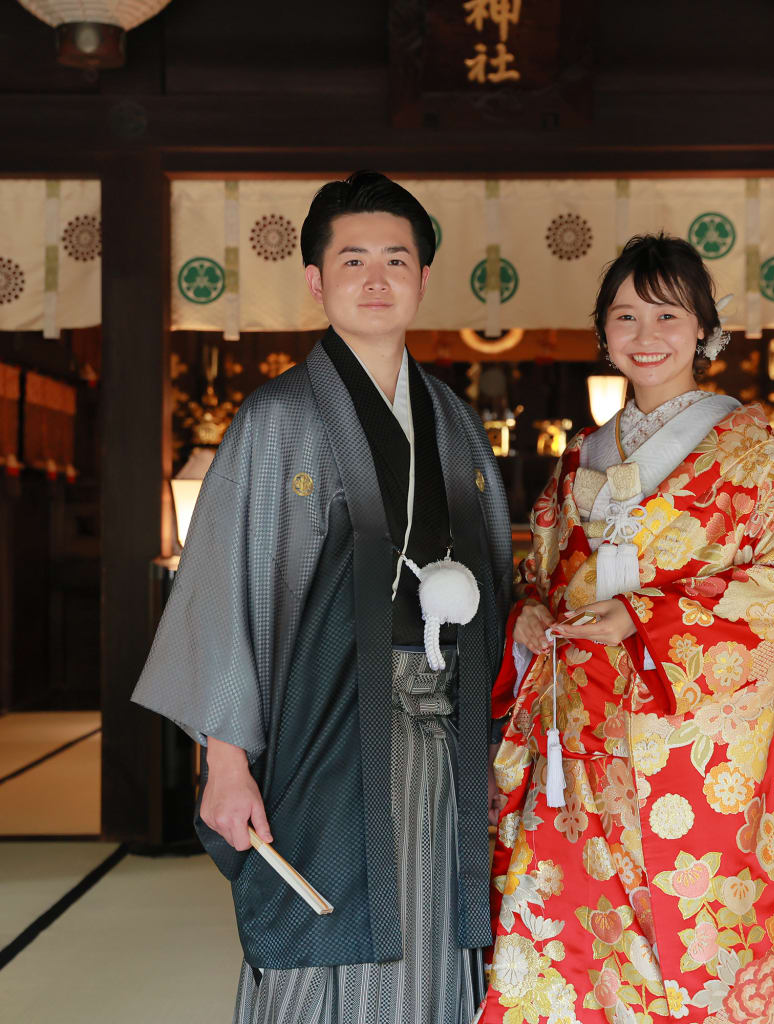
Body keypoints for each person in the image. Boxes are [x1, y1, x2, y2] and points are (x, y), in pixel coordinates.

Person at [132, 171, 512, 1024]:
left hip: (446, 733)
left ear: (421, 276)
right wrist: (224, 762)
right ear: (316, 281)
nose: (376, 279)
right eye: (353, 260)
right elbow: (229, 585)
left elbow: (495, 585)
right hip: (326, 728)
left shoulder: (453, 421)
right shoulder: (277, 419)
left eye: (396, 259)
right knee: (321, 920)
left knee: (442, 928)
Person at [481, 234, 774, 1023]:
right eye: (625, 315)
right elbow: (541, 574)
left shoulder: (742, 445)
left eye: (667, 315)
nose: (646, 335)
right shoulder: (581, 456)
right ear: (603, 333)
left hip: (692, 735)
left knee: (699, 927)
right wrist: (535, 613)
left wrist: (647, 618)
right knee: (582, 926)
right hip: (582, 729)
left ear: (705, 329)